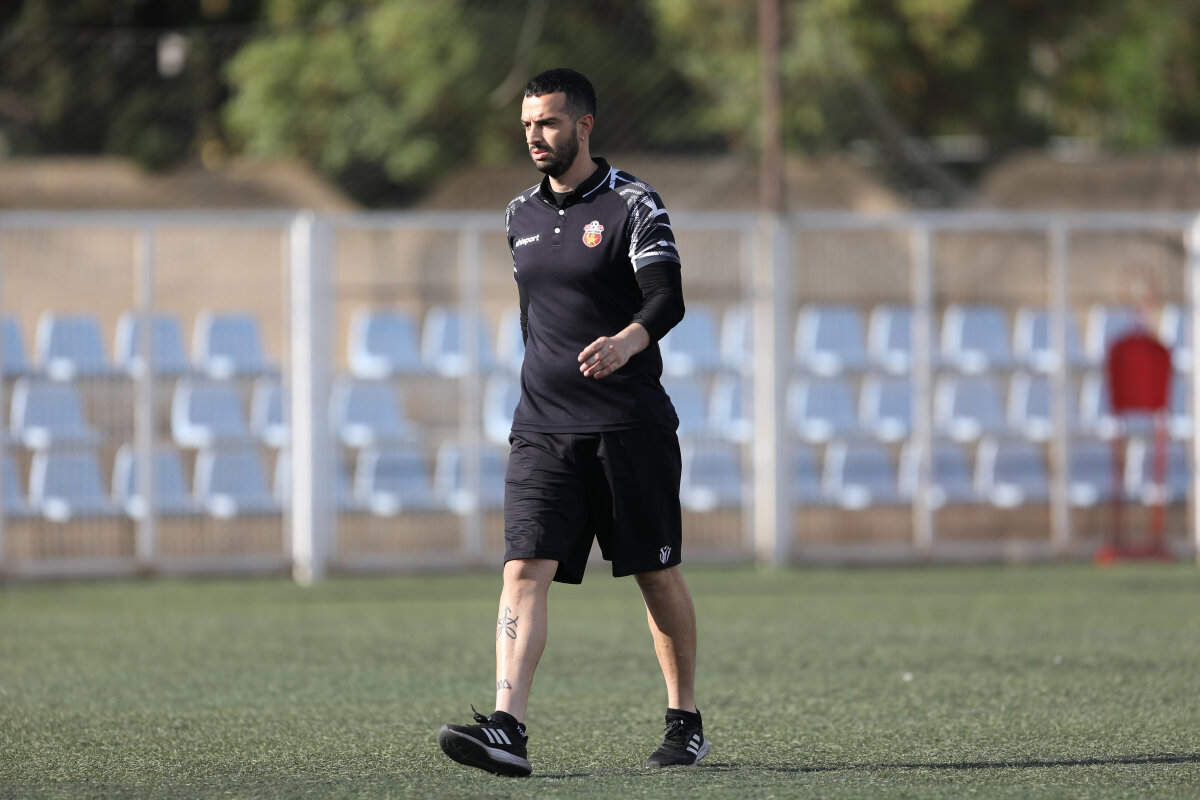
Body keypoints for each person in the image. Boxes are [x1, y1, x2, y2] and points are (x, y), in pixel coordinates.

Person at [436, 67, 707, 777]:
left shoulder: (633, 202)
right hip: (542, 428)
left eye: (549, 122)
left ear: (583, 126)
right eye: (528, 124)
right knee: (524, 568)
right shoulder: (517, 215)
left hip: (629, 426)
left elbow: (668, 297)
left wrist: (627, 342)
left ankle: (684, 720)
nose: (536, 135)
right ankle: (507, 728)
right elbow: (539, 319)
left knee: (655, 573)